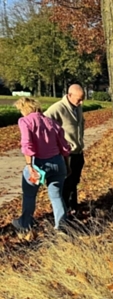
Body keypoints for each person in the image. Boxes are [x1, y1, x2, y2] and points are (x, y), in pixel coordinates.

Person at [11, 98, 71, 232]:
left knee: (29, 195)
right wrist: (67, 166)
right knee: (56, 196)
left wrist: (29, 166)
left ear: (25, 109)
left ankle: (25, 223)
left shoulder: (25, 121)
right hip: (57, 162)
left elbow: (27, 145)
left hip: (38, 163)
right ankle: (62, 227)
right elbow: (64, 148)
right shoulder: (52, 123)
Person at [45, 84, 85, 215]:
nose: (81, 102)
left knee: (75, 182)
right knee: (66, 184)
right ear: (69, 95)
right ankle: (64, 211)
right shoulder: (58, 108)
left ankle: (73, 207)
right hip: (66, 154)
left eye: (82, 99)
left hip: (78, 152)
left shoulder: (78, 107)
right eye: (79, 99)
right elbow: (43, 122)